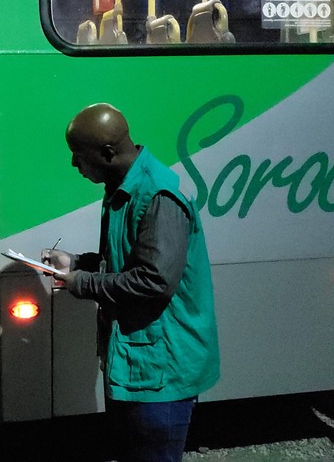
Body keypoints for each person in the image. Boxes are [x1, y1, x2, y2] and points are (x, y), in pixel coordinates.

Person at [42, 103, 220, 462]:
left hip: (161, 372)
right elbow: (127, 261)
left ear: (107, 153)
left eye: (78, 156)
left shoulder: (157, 197)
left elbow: (154, 281)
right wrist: (76, 263)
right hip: (138, 363)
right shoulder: (122, 188)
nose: (74, 164)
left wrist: (83, 283)